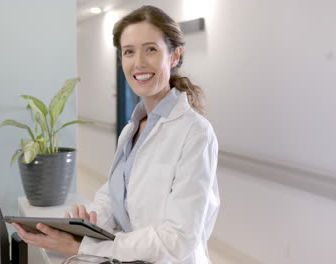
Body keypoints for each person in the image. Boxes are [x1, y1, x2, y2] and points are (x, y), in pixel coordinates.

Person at [13, 5, 220, 264]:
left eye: (151, 49)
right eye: (129, 52)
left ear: (175, 56)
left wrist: (85, 247)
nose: (139, 62)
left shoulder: (195, 132)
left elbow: (179, 238)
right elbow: (116, 194)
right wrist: (90, 219)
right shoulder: (133, 127)